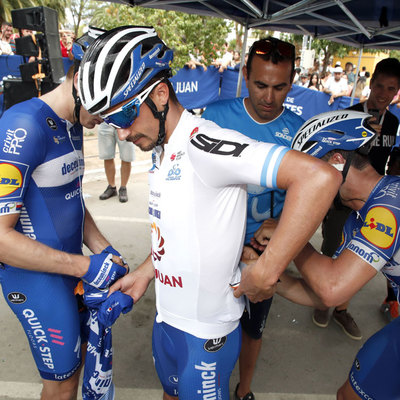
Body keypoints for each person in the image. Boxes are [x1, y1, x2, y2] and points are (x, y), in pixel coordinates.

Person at [78, 26, 341, 400]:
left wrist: (266, 271)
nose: (120, 133)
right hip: (168, 319)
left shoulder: (205, 143)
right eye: (111, 122)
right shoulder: (163, 144)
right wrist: (144, 273)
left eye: (125, 116)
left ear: (160, 94)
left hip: (206, 335)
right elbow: (183, 230)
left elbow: (318, 178)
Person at [0, 33, 128, 400]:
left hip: (67, 270)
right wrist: (84, 268)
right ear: (80, 83)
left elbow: (71, 199)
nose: (109, 119)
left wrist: (105, 250)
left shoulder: (73, 121)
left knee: (75, 375)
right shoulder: (22, 126)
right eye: (105, 107)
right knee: (62, 385)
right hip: (35, 280)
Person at [251, 109, 400, 400]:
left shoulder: (390, 204)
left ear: (336, 161)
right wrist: (260, 273)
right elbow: (320, 294)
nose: (304, 184)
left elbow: (331, 289)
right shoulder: (356, 218)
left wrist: (289, 238)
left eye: (309, 171)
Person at [202, 37, 305, 400]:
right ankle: (209, 386)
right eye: (260, 84)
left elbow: (307, 197)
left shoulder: (298, 131)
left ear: (292, 83)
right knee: (212, 327)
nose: (269, 97)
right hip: (215, 248)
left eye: (280, 87)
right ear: (245, 75)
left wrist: (283, 224)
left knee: (253, 329)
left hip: (264, 255)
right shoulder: (215, 117)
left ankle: (243, 390)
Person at [313, 58, 400, 334]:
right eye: (381, 86)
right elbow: (332, 156)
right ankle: (323, 297)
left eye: (392, 88)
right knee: (333, 245)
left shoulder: (393, 121)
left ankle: (341, 308)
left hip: (375, 198)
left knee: (360, 256)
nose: (384, 93)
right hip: (342, 198)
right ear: (371, 84)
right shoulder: (350, 114)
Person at [97, 121, 135, 202]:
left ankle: (123, 187)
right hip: (105, 122)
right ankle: (111, 187)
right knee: (107, 156)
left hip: (124, 122)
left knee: (126, 156)